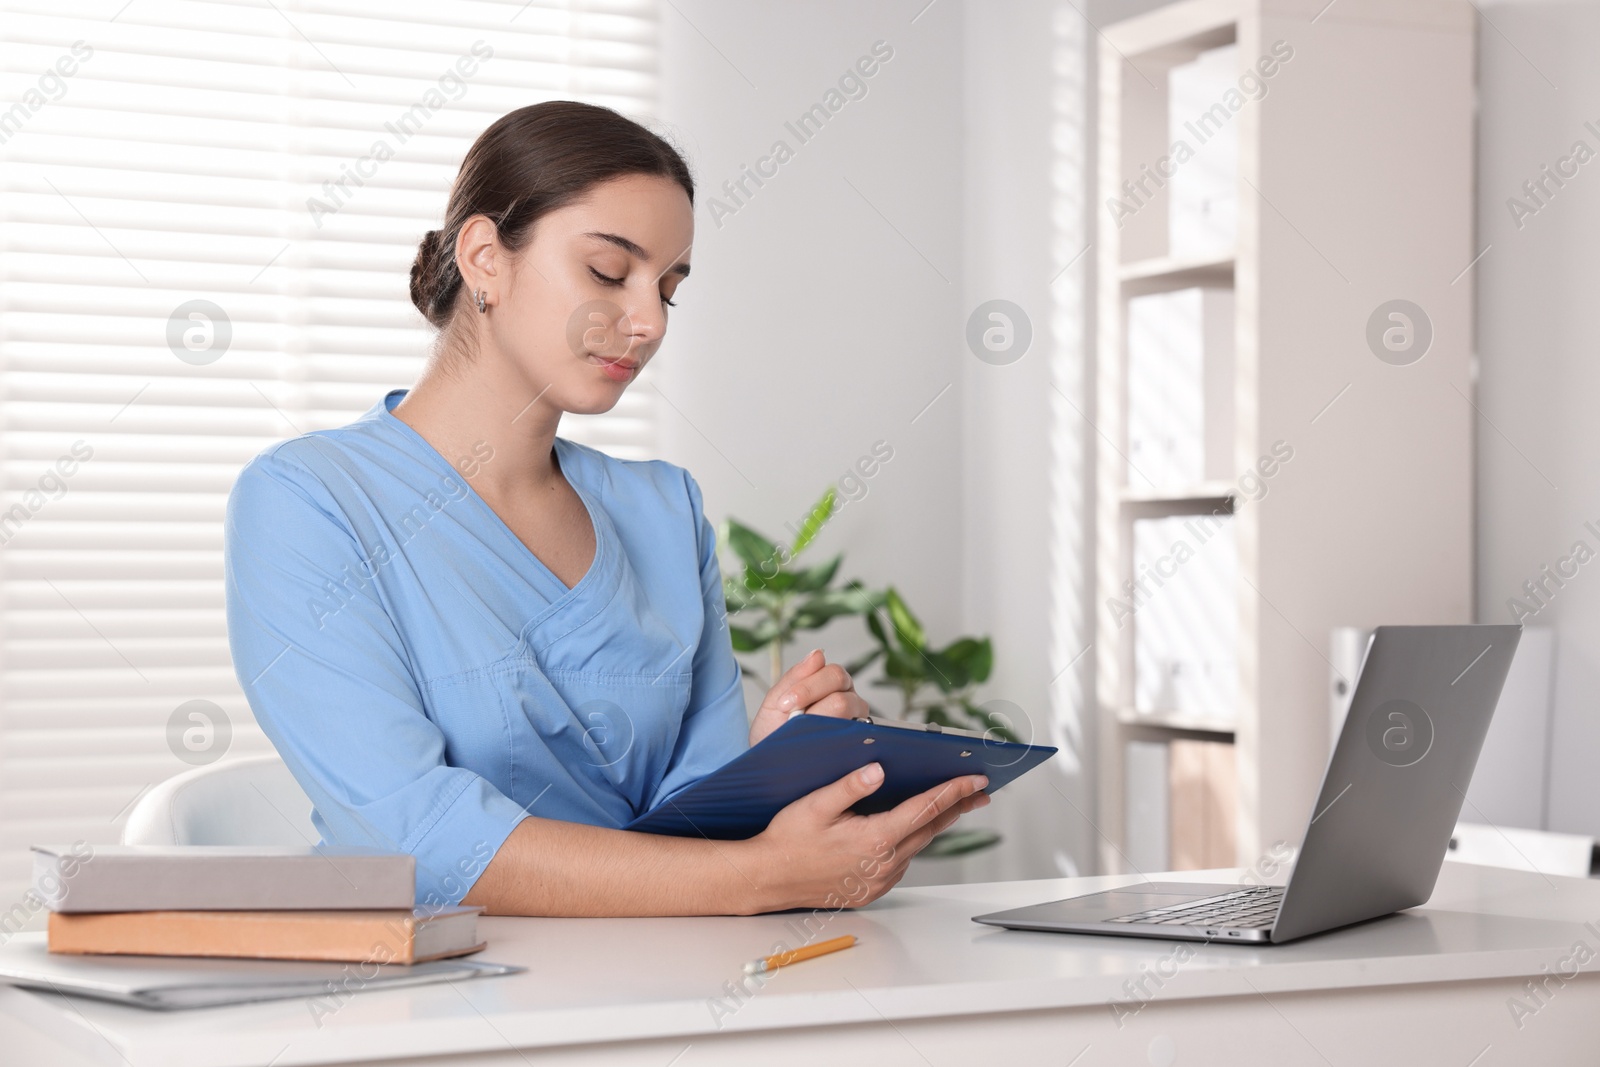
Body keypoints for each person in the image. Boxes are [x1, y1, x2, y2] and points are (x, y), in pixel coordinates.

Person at [223, 100, 988, 917]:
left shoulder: (662, 507)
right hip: (436, 998)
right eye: (608, 272)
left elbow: (691, 819)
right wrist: (766, 876)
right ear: (485, 257)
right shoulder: (309, 501)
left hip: (669, 976)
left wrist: (770, 764)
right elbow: (413, 835)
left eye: (669, 288)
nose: (650, 321)